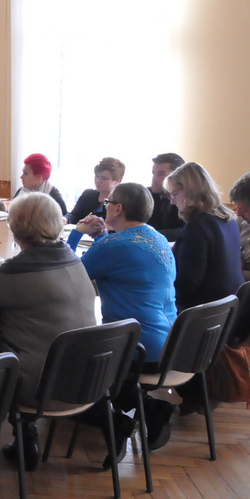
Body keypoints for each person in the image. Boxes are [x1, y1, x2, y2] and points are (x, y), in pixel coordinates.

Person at [0, 192, 96, 468]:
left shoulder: (18, 270)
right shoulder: (73, 259)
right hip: (88, 379)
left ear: (16, 227)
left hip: (41, 387)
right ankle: (24, 434)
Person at [66, 183, 176, 460]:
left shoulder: (116, 245)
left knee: (67, 369)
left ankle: (121, 419)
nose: (105, 206)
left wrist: (77, 233)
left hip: (139, 348)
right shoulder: (157, 237)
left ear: (118, 209)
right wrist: (102, 236)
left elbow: (67, 274)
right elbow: (120, 258)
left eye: (108, 202)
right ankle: (151, 409)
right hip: (171, 341)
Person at [165, 162, 245, 312]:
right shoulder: (228, 218)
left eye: (174, 194)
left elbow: (187, 285)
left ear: (190, 191)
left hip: (203, 311)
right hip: (229, 308)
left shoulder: (197, 226)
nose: (172, 201)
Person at [64, 157, 125, 224]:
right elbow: (74, 215)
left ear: (117, 181)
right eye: (97, 176)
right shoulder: (88, 195)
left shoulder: (120, 202)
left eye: (104, 178)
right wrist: (66, 219)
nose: (98, 181)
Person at [146, 152, 185, 241]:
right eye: (153, 173)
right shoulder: (145, 195)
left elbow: (186, 231)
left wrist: (151, 234)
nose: (154, 179)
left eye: (161, 174)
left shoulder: (188, 198)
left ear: (178, 176)